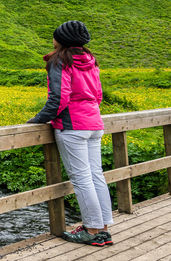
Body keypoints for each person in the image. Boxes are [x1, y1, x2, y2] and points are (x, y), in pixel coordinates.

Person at [27, 20, 114, 246]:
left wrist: (39, 119)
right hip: (94, 123)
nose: (53, 39)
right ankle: (102, 229)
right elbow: (98, 95)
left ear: (61, 40)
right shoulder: (90, 60)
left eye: (55, 36)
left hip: (73, 125)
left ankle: (92, 231)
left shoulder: (59, 61)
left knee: (82, 179)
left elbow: (59, 98)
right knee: (96, 175)